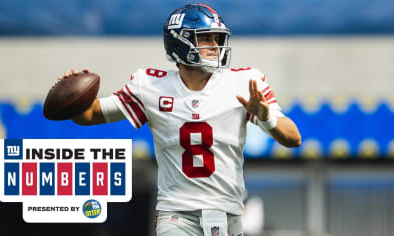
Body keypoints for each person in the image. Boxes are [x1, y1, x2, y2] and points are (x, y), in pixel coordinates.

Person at [57, 3, 301, 236]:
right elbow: (90, 115)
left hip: (227, 212)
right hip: (176, 213)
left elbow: (293, 138)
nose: (215, 46)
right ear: (180, 41)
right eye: (206, 38)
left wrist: (266, 117)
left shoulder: (244, 82)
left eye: (218, 39)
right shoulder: (150, 85)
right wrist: (70, 96)